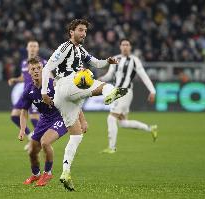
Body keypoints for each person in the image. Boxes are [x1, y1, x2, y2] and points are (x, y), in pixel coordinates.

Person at [41, 19, 127, 191]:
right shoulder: (64, 47)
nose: (83, 33)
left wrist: (107, 62)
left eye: (85, 31)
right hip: (67, 84)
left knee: (76, 135)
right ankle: (109, 94)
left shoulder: (80, 50)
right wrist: (44, 91)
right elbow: (46, 68)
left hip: (64, 98)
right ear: (71, 32)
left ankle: (65, 172)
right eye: (80, 30)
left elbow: (96, 62)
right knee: (94, 81)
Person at [99, 38, 158, 154]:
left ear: (130, 47)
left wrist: (152, 91)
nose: (125, 47)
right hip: (117, 92)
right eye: (123, 45)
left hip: (125, 91)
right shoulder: (115, 59)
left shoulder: (134, 60)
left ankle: (112, 148)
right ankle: (151, 128)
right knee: (123, 123)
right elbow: (109, 75)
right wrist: (100, 79)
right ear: (120, 47)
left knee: (111, 118)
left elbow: (144, 76)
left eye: (127, 45)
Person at [18, 57, 68, 186]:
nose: (36, 71)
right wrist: (22, 129)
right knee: (32, 151)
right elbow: (24, 111)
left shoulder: (54, 84)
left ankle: (48, 173)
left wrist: (82, 120)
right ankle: (36, 175)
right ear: (28, 72)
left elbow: (71, 101)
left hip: (60, 117)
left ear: (43, 69)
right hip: (44, 119)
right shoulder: (28, 90)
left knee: (45, 142)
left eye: (38, 68)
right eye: (32, 69)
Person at [8, 40, 47, 149]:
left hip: (36, 92)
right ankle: (31, 136)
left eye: (35, 46)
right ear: (27, 48)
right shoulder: (24, 62)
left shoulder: (43, 62)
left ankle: (40, 141)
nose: (33, 48)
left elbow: (50, 76)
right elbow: (23, 76)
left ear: (38, 49)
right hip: (26, 93)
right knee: (14, 115)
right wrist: (15, 79)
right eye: (31, 46)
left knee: (34, 117)